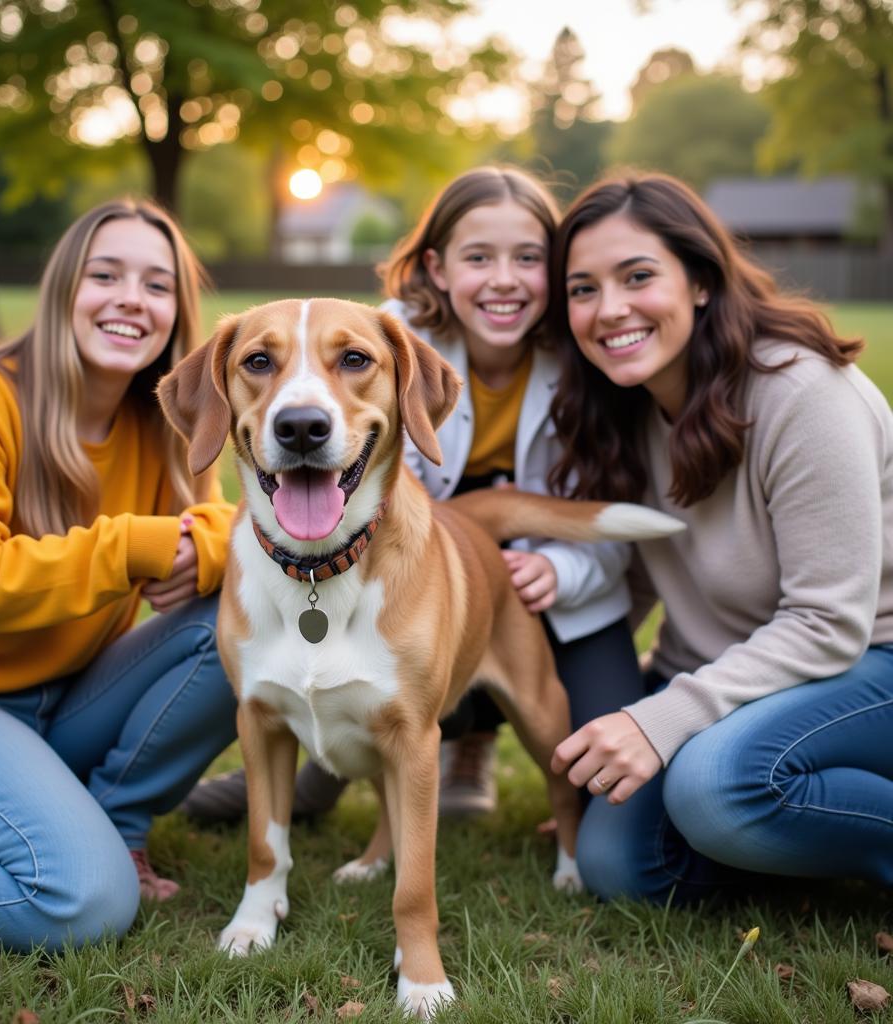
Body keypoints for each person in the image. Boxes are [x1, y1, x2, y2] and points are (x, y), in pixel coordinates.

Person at [181, 166, 646, 824]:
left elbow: (607, 510)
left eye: (530, 258)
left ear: (558, 270)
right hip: (414, 534)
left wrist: (560, 569)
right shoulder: (371, 336)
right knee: (375, 621)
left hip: (548, 562)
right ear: (438, 266)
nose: (504, 279)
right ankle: (320, 775)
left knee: (612, 808)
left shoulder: (593, 354)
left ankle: (468, 748)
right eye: (479, 257)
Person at [0, 198, 238, 951]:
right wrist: (129, 547)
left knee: (242, 615)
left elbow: (235, 525)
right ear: (64, 287)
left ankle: (116, 824)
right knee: (79, 898)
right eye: (106, 274)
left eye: (157, 284)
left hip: (60, 707)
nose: (132, 298)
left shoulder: (163, 424)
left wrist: (212, 547)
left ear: (177, 310)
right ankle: (64, 849)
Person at [547, 172, 893, 902]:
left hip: (869, 664)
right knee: (620, 866)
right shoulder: (628, 406)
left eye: (637, 277)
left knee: (718, 787)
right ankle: (797, 827)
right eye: (582, 289)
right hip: (730, 678)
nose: (610, 310)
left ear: (700, 280)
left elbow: (831, 624)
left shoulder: (801, 393)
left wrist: (661, 720)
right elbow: (641, 575)